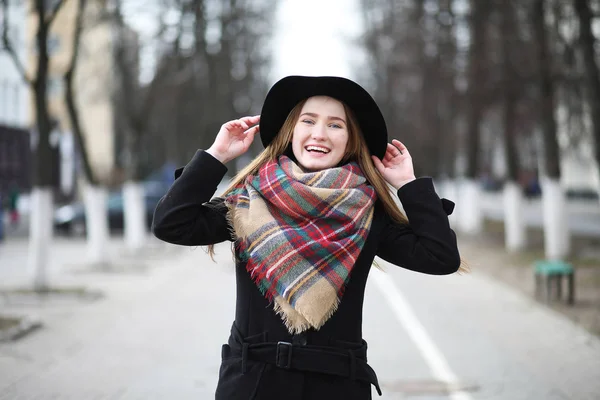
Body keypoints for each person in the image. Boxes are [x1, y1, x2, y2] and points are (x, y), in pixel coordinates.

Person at [152, 75, 462, 399]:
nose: (319, 133)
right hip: (253, 385)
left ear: (351, 139)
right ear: (291, 132)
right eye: (308, 121)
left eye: (335, 125)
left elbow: (440, 258)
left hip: (338, 387)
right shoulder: (247, 201)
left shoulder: (369, 212)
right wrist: (216, 155)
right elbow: (170, 223)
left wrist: (409, 185)